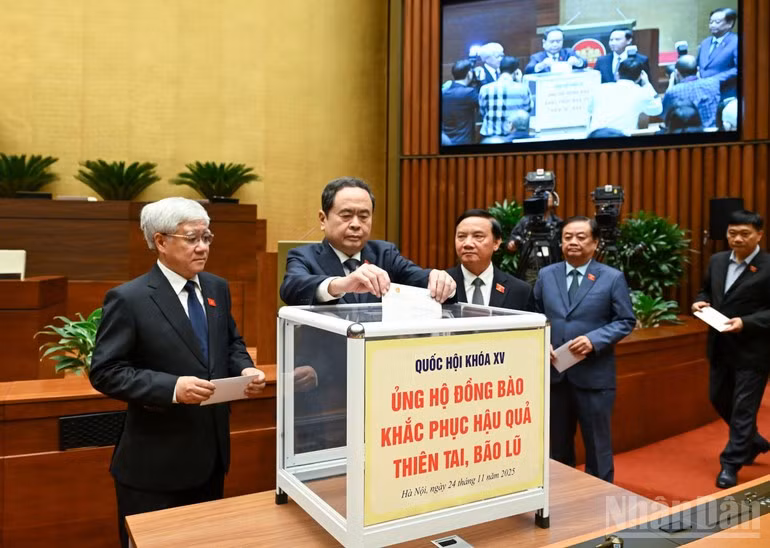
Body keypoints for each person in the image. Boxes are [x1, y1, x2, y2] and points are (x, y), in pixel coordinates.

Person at [89, 197, 266, 548]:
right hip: (155, 466)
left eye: (207, 237)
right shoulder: (129, 299)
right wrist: (173, 388)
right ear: (161, 241)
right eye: (192, 238)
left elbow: (230, 341)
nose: (202, 247)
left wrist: (245, 368)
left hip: (211, 456)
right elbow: (106, 371)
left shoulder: (216, 287)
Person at [533, 216, 635, 482]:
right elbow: (535, 315)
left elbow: (626, 320)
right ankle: (560, 498)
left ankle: (600, 500)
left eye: (580, 237)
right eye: (567, 237)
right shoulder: (547, 274)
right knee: (557, 447)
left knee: (597, 447)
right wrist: (542, 343)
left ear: (595, 242)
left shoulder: (611, 277)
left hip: (594, 377)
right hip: (555, 376)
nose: (573, 242)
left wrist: (595, 340)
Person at [280, 176, 455, 305]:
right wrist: (341, 284)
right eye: (346, 216)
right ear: (323, 219)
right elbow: (291, 288)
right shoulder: (304, 256)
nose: (356, 224)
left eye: (364, 216)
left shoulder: (385, 253)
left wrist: (438, 278)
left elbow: (417, 278)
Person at [692, 209, 770, 489]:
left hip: (754, 350)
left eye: (745, 234)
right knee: (718, 399)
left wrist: (746, 323)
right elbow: (705, 291)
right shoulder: (717, 261)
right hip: (720, 346)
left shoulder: (768, 266)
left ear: (759, 234)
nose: (737, 239)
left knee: (743, 410)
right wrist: (700, 302)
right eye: (732, 233)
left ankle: (731, 463)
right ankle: (755, 441)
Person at [447, 209, 531, 309]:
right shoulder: (439, 284)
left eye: (478, 236)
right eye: (461, 236)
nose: (467, 244)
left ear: (496, 243)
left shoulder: (519, 291)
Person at [587, 57, 662, 135]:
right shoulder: (641, 93)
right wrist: (647, 84)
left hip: (594, 137)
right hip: (621, 141)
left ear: (617, 74)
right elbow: (657, 110)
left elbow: (589, 110)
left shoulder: (599, 88)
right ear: (640, 77)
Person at [479, 56, 532, 139]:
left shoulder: (484, 89)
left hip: (490, 136)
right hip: (513, 136)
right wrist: (520, 82)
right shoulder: (523, 88)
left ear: (499, 70)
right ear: (516, 72)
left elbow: (482, 111)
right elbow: (527, 111)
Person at [662, 55, 720, 128]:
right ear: (698, 70)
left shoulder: (673, 91)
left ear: (676, 73)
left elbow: (664, 115)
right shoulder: (714, 83)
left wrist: (670, 85)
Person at [697, 7, 738, 100]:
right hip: (702, 92)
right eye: (711, 22)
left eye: (717, 22)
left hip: (725, 93)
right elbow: (699, 65)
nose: (712, 25)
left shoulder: (736, 42)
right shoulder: (705, 42)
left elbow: (739, 69)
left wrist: (714, 80)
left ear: (730, 23)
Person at [442, 60, 480, 145]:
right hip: (464, 140)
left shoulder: (444, 91)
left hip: (446, 140)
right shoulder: (469, 92)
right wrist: (480, 81)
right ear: (469, 74)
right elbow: (483, 104)